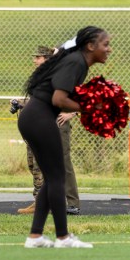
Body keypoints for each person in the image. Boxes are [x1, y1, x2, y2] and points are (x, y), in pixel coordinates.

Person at [19, 26, 111, 248]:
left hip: (34, 117)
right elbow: (59, 100)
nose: (109, 49)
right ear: (90, 46)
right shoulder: (76, 62)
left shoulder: (78, 62)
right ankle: (63, 237)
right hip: (39, 117)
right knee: (57, 176)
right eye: (105, 44)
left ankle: (35, 237)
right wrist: (91, 108)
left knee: (52, 178)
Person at [15, 47, 80, 215]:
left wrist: (71, 112)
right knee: (42, 163)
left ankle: (72, 203)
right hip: (43, 121)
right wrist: (22, 105)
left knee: (63, 162)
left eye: (39, 57)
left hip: (58, 122)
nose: (35, 60)